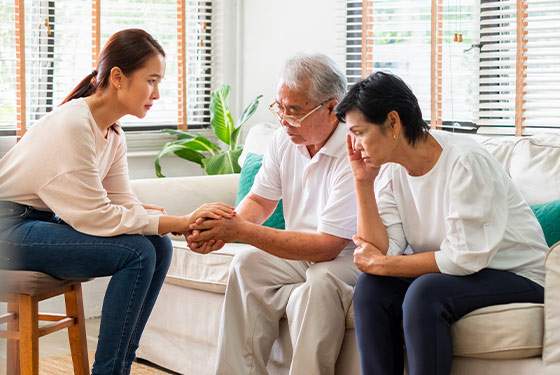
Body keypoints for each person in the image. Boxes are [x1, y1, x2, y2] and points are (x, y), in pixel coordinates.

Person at [0, 29, 233, 375]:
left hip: (41, 223)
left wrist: (164, 222)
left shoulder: (112, 132)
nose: (157, 93)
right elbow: (99, 217)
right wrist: (181, 221)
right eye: (151, 80)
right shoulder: (74, 125)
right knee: (137, 253)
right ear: (118, 77)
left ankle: (118, 367)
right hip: (10, 228)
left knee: (157, 245)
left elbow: (122, 203)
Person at [335, 71, 547, 375]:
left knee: (426, 292)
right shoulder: (393, 170)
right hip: (462, 272)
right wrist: (362, 183)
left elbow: (463, 258)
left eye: (360, 132)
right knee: (372, 288)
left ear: (393, 123)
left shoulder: (465, 161)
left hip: (517, 273)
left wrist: (381, 264)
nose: (354, 146)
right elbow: (382, 249)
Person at [187, 54, 358, 375]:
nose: (283, 119)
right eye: (280, 107)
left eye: (294, 111)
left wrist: (239, 231)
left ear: (332, 107)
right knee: (247, 263)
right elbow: (260, 201)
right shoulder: (284, 140)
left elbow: (328, 247)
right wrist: (225, 228)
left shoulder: (353, 149)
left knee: (319, 283)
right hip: (300, 251)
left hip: (347, 257)